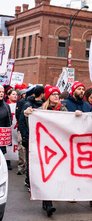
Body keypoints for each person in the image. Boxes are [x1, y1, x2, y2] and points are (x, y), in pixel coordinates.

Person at [24, 85, 67, 217]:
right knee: (46, 174)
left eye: (57, 94)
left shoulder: (64, 109)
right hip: (44, 147)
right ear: (48, 96)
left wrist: (77, 116)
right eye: (53, 94)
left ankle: (46, 201)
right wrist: (27, 115)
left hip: (60, 148)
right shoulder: (40, 110)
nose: (56, 96)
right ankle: (48, 203)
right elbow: (31, 125)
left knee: (55, 175)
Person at [61, 82, 92, 207]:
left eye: (82, 89)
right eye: (79, 89)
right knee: (67, 168)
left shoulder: (87, 107)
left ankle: (77, 191)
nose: (81, 91)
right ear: (73, 91)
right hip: (67, 141)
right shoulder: (64, 104)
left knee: (79, 169)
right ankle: (67, 192)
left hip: (82, 142)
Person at [18, 85, 45, 194]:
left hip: (41, 139)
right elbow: (21, 122)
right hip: (31, 137)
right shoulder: (28, 105)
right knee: (31, 161)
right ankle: (29, 181)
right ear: (42, 94)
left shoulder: (43, 106)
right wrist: (25, 136)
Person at [15, 85, 35, 175]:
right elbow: (18, 115)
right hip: (23, 128)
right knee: (22, 147)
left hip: (30, 129)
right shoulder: (22, 102)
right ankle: (21, 166)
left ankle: (27, 167)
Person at [0, 85, 12, 171]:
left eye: (2, 92)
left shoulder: (6, 106)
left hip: (1, 139)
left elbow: (9, 122)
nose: (1, 94)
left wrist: (7, 138)